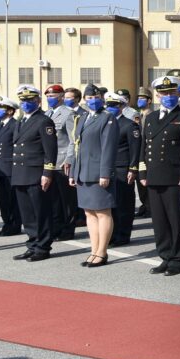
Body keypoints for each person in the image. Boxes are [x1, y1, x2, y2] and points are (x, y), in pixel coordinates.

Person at [139, 75, 180, 276]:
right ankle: (165, 256)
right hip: (153, 175)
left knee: (176, 220)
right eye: (164, 93)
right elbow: (144, 146)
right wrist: (142, 171)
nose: (168, 96)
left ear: (178, 93)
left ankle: (178, 260)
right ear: (158, 95)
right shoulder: (151, 118)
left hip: (174, 176)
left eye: (172, 92)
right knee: (159, 221)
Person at [70, 84, 118, 268]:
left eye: (96, 97)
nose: (92, 101)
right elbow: (77, 147)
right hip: (83, 172)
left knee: (102, 212)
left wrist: (105, 173)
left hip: (98, 173)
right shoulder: (82, 118)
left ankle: (102, 252)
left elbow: (108, 148)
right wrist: (74, 171)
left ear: (102, 99)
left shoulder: (108, 118)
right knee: (89, 212)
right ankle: (93, 250)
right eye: (89, 98)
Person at [11, 85, 58, 262]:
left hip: (36, 173)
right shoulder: (21, 121)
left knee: (41, 212)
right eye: (23, 101)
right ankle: (32, 244)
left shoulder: (43, 121)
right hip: (21, 173)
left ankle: (43, 246)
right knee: (27, 214)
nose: (25, 103)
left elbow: (50, 150)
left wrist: (47, 173)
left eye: (30, 100)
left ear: (38, 101)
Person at [106, 92, 140, 246]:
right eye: (109, 105)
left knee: (124, 203)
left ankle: (123, 234)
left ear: (121, 107)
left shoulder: (129, 124)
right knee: (111, 203)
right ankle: (112, 233)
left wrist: (133, 169)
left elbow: (135, 149)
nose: (111, 108)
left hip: (123, 168)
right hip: (108, 168)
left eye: (115, 105)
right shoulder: (106, 123)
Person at [44, 84, 75, 242]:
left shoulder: (68, 114)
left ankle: (68, 229)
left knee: (66, 200)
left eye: (53, 97)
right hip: (50, 163)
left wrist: (69, 159)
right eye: (48, 96)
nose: (50, 99)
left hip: (63, 162)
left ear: (61, 97)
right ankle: (56, 227)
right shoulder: (47, 113)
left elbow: (73, 140)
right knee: (53, 199)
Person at [0, 97, 22, 236]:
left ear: (10, 111)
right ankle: (6, 224)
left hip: (10, 167)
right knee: (2, 198)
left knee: (12, 198)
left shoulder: (15, 125)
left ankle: (14, 225)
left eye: (1, 108)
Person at [61, 87, 87, 233]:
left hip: (79, 156)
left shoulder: (83, 113)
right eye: (65, 97)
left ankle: (81, 216)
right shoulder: (64, 112)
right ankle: (76, 216)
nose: (66, 99)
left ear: (77, 98)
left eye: (69, 97)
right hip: (69, 155)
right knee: (70, 192)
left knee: (78, 188)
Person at [134, 86, 155, 218]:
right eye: (139, 98)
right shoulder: (138, 115)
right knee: (140, 182)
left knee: (146, 181)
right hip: (137, 152)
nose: (140, 101)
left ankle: (149, 206)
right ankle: (145, 205)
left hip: (146, 152)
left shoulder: (151, 115)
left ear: (149, 101)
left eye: (143, 98)